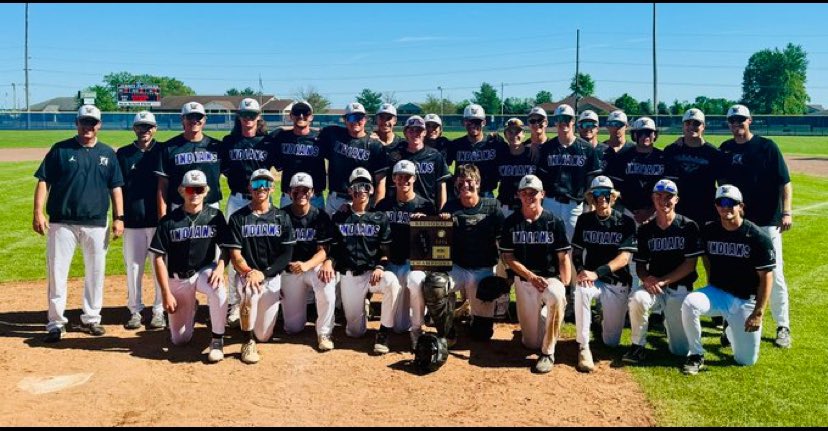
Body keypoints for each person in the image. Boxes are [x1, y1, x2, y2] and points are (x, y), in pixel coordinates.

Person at [34, 105, 125, 342]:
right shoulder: (60, 150)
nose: (88, 126)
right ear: (76, 123)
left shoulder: (107, 153)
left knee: (95, 272)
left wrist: (119, 217)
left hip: (96, 222)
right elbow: (43, 181)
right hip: (62, 222)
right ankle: (55, 322)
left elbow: (115, 187)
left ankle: (92, 318)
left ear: (99, 125)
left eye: (92, 122)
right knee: (57, 272)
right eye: (84, 122)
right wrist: (38, 212)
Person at [719, 104, 793, 349]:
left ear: (750, 121)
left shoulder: (767, 147)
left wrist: (786, 211)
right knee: (736, 272)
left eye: (741, 120)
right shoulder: (726, 149)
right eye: (732, 121)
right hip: (737, 223)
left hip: (766, 221)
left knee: (774, 274)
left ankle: (783, 325)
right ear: (728, 123)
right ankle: (730, 323)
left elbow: (785, 182)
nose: (737, 124)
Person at [680, 185, 776, 374]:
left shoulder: (757, 237)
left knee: (746, 361)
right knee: (690, 302)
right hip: (719, 292)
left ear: (741, 206)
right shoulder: (709, 231)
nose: (725, 207)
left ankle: (731, 330)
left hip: (745, 300)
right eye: (721, 203)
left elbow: (766, 277)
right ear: (716, 206)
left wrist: (758, 313)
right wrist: (710, 279)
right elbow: (705, 257)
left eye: (731, 203)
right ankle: (696, 354)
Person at [149, 170, 229, 362]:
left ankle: (217, 339)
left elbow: (226, 247)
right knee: (180, 340)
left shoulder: (214, 216)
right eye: (190, 189)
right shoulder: (169, 221)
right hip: (178, 278)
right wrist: (166, 293)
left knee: (218, 289)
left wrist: (219, 268)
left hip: (204, 272)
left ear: (206, 191)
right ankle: (191, 308)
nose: (194, 194)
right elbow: (158, 257)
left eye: (199, 189)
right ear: (181, 190)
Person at [625, 179, 703, 364]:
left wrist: (663, 281)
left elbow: (690, 264)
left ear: (676, 199)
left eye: (669, 196)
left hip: (679, 288)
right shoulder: (645, 230)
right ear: (653, 198)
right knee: (638, 298)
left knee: (679, 350)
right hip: (655, 287)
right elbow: (641, 265)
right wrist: (646, 279)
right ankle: (637, 346)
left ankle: (670, 322)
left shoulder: (688, 226)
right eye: (659, 196)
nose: (663, 200)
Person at [500, 175, 571, 374]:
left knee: (556, 295)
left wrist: (564, 288)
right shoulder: (511, 222)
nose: (529, 196)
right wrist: (530, 276)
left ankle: (548, 353)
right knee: (531, 343)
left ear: (543, 194)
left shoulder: (554, 221)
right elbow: (508, 257)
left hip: (550, 279)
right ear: (519, 195)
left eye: (533, 192)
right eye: (525, 192)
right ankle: (543, 318)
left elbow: (563, 257)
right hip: (525, 281)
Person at [224, 169, 296, 364]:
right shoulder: (239, 218)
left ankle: (249, 321)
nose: (261, 187)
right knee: (249, 291)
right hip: (247, 277)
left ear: (272, 188)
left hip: (270, 278)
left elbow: (286, 255)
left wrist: (263, 274)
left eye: (265, 183)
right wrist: (248, 272)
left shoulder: (282, 217)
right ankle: (247, 341)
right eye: (256, 184)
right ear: (250, 187)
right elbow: (235, 255)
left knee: (263, 335)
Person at [327, 167, 402, 354]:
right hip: (350, 275)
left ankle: (384, 332)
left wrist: (379, 266)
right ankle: (362, 307)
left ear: (371, 190)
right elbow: (334, 248)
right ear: (350, 190)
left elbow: (386, 250)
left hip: (372, 274)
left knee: (392, 282)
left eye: (366, 186)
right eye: (357, 187)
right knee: (354, 332)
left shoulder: (379, 217)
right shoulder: (340, 217)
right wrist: (329, 261)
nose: (361, 191)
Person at [571, 176, 637, 373]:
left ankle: (601, 320)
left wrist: (596, 273)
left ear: (613, 197)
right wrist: (581, 270)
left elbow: (624, 258)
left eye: (606, 194)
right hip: (592, 282)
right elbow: (575, 252)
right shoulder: (584, 220)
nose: (602, 198)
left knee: (611, 343)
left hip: (616, 283)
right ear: (591, 197)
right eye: (597, 194)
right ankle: (583, 346)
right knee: (581, 291)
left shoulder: (625, 222)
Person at [219, 98, 274, 328]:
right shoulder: (229, 142)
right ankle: (233, 304)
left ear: (258, 117)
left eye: (253, 114)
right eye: (245, 114)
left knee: (264, 248)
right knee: (234, 253)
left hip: (262, 201)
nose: (249, 118)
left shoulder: (267, 143)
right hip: (238, 199)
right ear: (239, 116)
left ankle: (268, 298)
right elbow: (220, 169)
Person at [440, 164, 505, 344]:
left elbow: (504, 242)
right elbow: (439, 240)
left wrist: (504, 275)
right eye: (461, 183)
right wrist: (443, 224)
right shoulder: (450, 207)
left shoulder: (493, 207)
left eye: (470, 182)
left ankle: (476, 318)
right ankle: (446, 326)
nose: (465, 186)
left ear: (478, 183)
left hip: (483, 270)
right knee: (435, 285)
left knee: (482, 335)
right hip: (458, 268)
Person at [375, 160, 436, 348]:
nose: (404, 180)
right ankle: (386, 328)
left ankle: (417, 328)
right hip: (391, 263)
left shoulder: (425, 206)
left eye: (408, 177)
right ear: (393, 178)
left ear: (415, 179)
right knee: (399, 326)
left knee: (417, 280)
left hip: (414, 264)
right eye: (399, 176)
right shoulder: (384, 205)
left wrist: (426, 223)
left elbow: (434, 241)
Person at [116, 111, 165, 330]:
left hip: (158, 221)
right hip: (133, 220)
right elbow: (116, 188)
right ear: (134, 129)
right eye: (140, 127)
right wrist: (118, 217)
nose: (144, 131)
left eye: (148, 127)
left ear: (155, 128)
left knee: (159, 267)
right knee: (134, 267)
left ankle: (159, 310)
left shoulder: (163, 151)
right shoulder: (124, 154)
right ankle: (135, 310)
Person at [280, 172, 337, 352]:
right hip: (290, 271)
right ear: (290, 193)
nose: (301, 194)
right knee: (293, 328)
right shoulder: (281, 216)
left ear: (312, 193)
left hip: (311, 267)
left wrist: (307, 265)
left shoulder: (320, 216)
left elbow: (323, 250)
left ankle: (325, 332)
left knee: (326, 278)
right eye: (297, 191)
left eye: (306, 190)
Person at [537, 104, 601, 241]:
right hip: (550, 203)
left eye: (567, 119)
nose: (563, 122)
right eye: (560, 119)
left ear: (573, 121)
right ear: (555, 122)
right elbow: (541, 179)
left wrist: (590, 205)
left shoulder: (587, 148)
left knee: (574, 245)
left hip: (575, 205)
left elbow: (591, 180)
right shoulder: (547, 148)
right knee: (549, 246)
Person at [318, 102, 389, 214]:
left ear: (365, 119)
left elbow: (380, 182)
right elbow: (307, 131)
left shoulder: (374, 145)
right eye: (351, 117)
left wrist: (375, 208)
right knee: (331, 231)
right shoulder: (333, 134)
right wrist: (283, 128)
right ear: (345, 120)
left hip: (363, 200)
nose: (355, 121)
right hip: (337, 198)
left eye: (359, 117)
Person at [155, 102, 223, 218]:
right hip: (179, 206)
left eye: (199, 117)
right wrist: (162, 214)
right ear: (182, 119)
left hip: (210, 205)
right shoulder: (169, 148)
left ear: (204, 120)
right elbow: (163, 185)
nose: (195, 120)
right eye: (190, 117)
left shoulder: (217, 146)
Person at [604, 116, 671, 226]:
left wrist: (650, 211)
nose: (645, 136)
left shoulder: (663, 158)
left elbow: (668, 189)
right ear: (634, 135)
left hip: (657, 211)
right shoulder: (623, 156)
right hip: (627, 212)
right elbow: (614, 187)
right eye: (641, 133)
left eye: (649, 133)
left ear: (655, 135)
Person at [663, 108, 723, 227]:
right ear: (683, 126)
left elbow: (722, 182)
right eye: (688, 123)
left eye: (696, 123)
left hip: (705, 208)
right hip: (677, 208)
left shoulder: (713, 153)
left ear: (703, 127)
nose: (691, 126)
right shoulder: (671, 150)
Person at [384, 115, 452, 210]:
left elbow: (441, 186)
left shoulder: (435, 156)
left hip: (428, 208)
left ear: (424, 132)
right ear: (405, 133)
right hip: (401, 210)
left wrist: (441, 210)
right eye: (411, 130)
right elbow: (391, 185)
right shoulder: (397, 157)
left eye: (419, 130)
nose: (415, 133)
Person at [269, 100, 326, 209]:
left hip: (314, 197)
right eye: (297, 112)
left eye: (305, 113)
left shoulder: (321, 138)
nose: (301, 116)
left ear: (311, 117)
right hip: (289, 196)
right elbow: (265, 142)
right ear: (290, 116)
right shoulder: (281, 137)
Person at [444, 104, 504, 198]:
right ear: (464, 122)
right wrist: (453, 179)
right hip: (463, 192)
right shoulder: (456, 144)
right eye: (469, 122)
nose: (473, 125)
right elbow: (443, 165)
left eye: (477, 122)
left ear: (483, 122)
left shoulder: (494, 143)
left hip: (486, 192)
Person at [496, 118, 536, 218]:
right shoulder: (500, 154)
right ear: (505, 135)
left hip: (527, 206)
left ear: (524, 134)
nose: (514, 135)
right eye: (510, 132)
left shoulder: (533, 154)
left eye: (518, 131)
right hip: (506, 206)